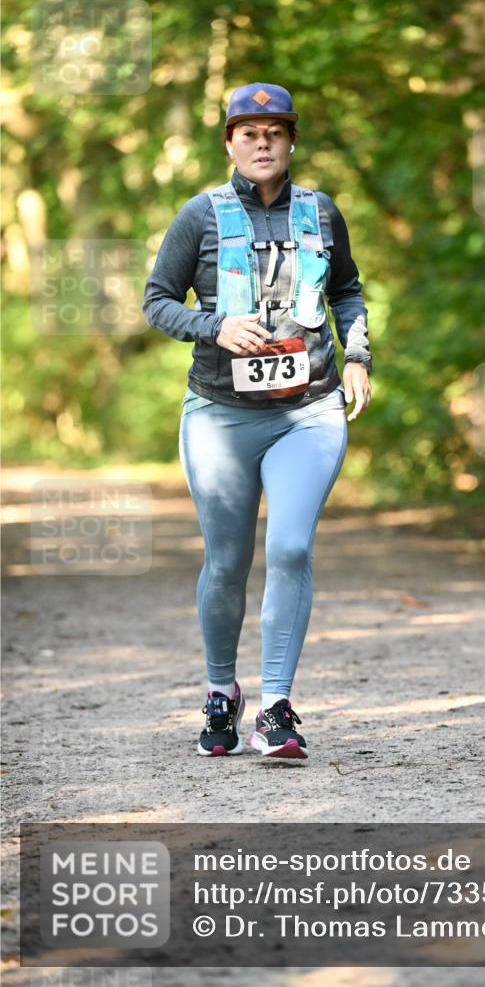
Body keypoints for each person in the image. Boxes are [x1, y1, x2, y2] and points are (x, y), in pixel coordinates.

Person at [143, 82, 372, 762]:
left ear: (291, 141)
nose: (263, 142)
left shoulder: (320, 211)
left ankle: (275, 707)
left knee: (291, 549)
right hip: (220, 415)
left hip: (309, 409)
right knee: (227, 562)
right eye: (249, 132)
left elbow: (347, 289)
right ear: (230, 143)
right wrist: (214, 325)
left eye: (275, 132)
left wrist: (357, 355)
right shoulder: (200, 215)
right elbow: (157, 301)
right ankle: (221, 691)